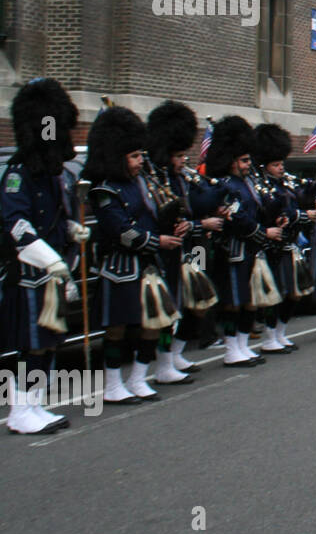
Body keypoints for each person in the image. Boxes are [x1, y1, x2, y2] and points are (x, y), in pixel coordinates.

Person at [86, 107, 186, 403]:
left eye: (141, 155)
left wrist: (174, 223)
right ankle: (113, 385)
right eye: (134, 156)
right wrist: (157, 241)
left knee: (152, 324)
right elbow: (121, 232)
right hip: (120, 266)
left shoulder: (143, 182)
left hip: (148, 266)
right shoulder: (103, 190)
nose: (141, 161)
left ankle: (138, 378)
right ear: (117, 156)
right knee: (116, 329)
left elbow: (153, 216)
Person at [1, 79, 83, 433]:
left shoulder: (52, 176)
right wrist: (49, 258)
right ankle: (19, 409)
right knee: (31, 345)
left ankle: (34, 404)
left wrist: (71, 232)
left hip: (53, 273)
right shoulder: (18, 174)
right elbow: (15, 224)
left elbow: (55, 218)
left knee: (50, 343)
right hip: (30, 272)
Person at [208, 116, 279, 367]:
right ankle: (231, 348)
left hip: (251, 250)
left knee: (249, 301)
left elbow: (259, 209)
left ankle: (241, 344)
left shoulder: (248, 183)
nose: (249, 164)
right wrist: (263, 232)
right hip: (233, 250)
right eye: (244, 160)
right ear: (232, 161)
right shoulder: (226, 185)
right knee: (233, 302)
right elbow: (236, 218)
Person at [143, 100, 202, 382]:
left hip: (184, 250)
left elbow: (191, 207)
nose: (182, 160)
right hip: (159, 252)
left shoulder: (177, 178)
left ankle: (171, 359)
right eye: (178, 155)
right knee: (164, 312)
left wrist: (189, 223)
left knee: (185, 305)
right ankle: (162, 365)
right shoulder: (150, 176)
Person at [252, 122, 316, 352]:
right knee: (278, 293)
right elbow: (282, 212)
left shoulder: (285, 183)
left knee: (294, 293)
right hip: (272, 247)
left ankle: (280, 333)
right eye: (276, 164)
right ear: (265, 166)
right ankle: (269, 336)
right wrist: (304, 215)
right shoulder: (262, 186)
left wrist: (313, 197)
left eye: (281, 163)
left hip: (290, 245)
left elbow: (299, 200)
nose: (281, 167)